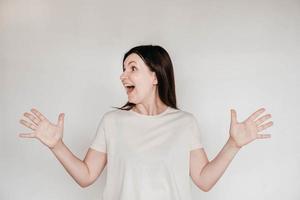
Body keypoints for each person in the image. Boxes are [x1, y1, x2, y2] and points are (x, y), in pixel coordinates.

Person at [19, 45, 274, 200]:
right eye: (123, 69)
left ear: (155, 76)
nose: (123, 76)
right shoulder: (112, 121)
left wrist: (233, 144)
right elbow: (86, 176)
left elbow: (204, 180)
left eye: (132, 68)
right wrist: (56, 146)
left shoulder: (184, 123)